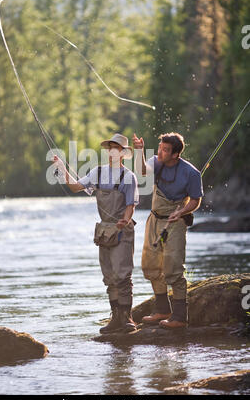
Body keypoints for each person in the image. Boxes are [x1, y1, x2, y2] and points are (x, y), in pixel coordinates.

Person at [52, 134, 139, 334]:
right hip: (104, 231)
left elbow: (130, 205)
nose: (112, 151)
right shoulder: (97, 173)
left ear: (124, 153)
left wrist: (124, 220)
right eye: (110, 148)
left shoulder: (129, 177)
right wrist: (61, 168)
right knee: (109, 276)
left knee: (122, 275)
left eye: (116, 148)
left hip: (122, 230)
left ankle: (127, 319)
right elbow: (75, 187)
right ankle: (115, 319)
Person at [132, 132, 203, 329]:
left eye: (165, 150)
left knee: (172, 268)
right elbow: (142, 171)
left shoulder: (191, 173)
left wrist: (181, 211)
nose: (160, 152)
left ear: (176, 155)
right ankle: (162, 310)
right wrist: (139, 151)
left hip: (176, 223)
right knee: (150, 265)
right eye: (160, 148)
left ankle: (180, 317)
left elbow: (196, 201)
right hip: (154, 220)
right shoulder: (157, 162)